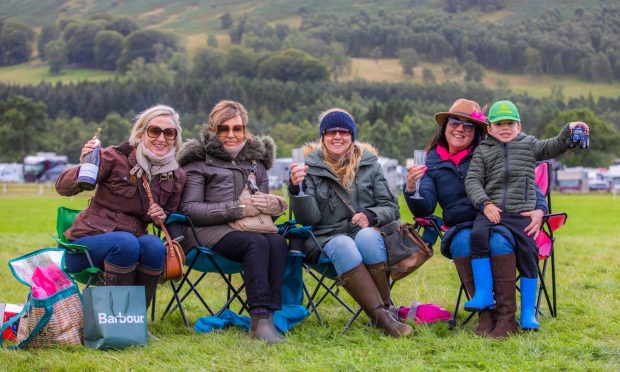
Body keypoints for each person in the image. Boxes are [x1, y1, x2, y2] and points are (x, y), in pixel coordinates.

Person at [404, 98, 549, 339]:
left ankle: (506, 317)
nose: (460, 129)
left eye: (468, 125)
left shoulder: (489, 151)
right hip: (461, 224)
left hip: (498, 219)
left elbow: (522, 182)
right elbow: (424, 208)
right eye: (454, 122)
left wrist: (539, 209)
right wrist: (411, 188)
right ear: (444, 126)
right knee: (462, 242)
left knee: (499, 242)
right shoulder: (430, 161)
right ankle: (486, 315)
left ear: (477, 131)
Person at [464, 100, 589, 331]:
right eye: (499, 123)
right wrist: (485, 204)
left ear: (519, 126)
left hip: (521, 213)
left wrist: (568, 128)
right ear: (489, 128)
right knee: (477, 236)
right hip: (492, 211)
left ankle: (529, 313)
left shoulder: (529, 145)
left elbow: (554, 146)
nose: (505, 128)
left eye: (510, 123)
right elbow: (472, 181)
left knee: (529, 254)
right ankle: (483, 294)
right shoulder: (483, 150)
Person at [289, 108, 413, 338]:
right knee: (343, 243)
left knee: (367, 235)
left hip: (364, 235)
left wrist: (371, 216)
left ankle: (384, 309)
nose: (337, 136)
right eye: (331, 132)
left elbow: (392, 207)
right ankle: (385, 319)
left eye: (344, 131)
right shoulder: (309, 168)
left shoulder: (369, 164)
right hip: (324, 239)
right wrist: (298, 189)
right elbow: (308, 220)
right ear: (323, 137)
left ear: (352, 136)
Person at [176, 100, 289, 344]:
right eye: (223, 128)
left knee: (278, 242)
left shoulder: (256, 163)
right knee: (256, 244)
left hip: (247, 228)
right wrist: (236, 209)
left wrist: (274, 206)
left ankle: (270, 316)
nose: (231, 134)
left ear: (245, 130)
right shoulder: (198, 162)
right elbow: (190, 209)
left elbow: (261, 210)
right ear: (212, 130)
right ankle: (258, 318)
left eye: (237, 128)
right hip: (204, 233)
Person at [56, 104, 187, 308]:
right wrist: (84, 165)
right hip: (86, 245)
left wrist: (161, 215)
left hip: (132, 244)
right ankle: (115, 319)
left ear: (175, 138)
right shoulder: (114, 157)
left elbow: (170, 213)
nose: (161, 139)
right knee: (125, 242)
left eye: (169, 133)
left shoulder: (176, 175)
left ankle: (135, 320)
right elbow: (62, 187)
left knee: (153, 246)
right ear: (142, 133)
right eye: (155, 131)